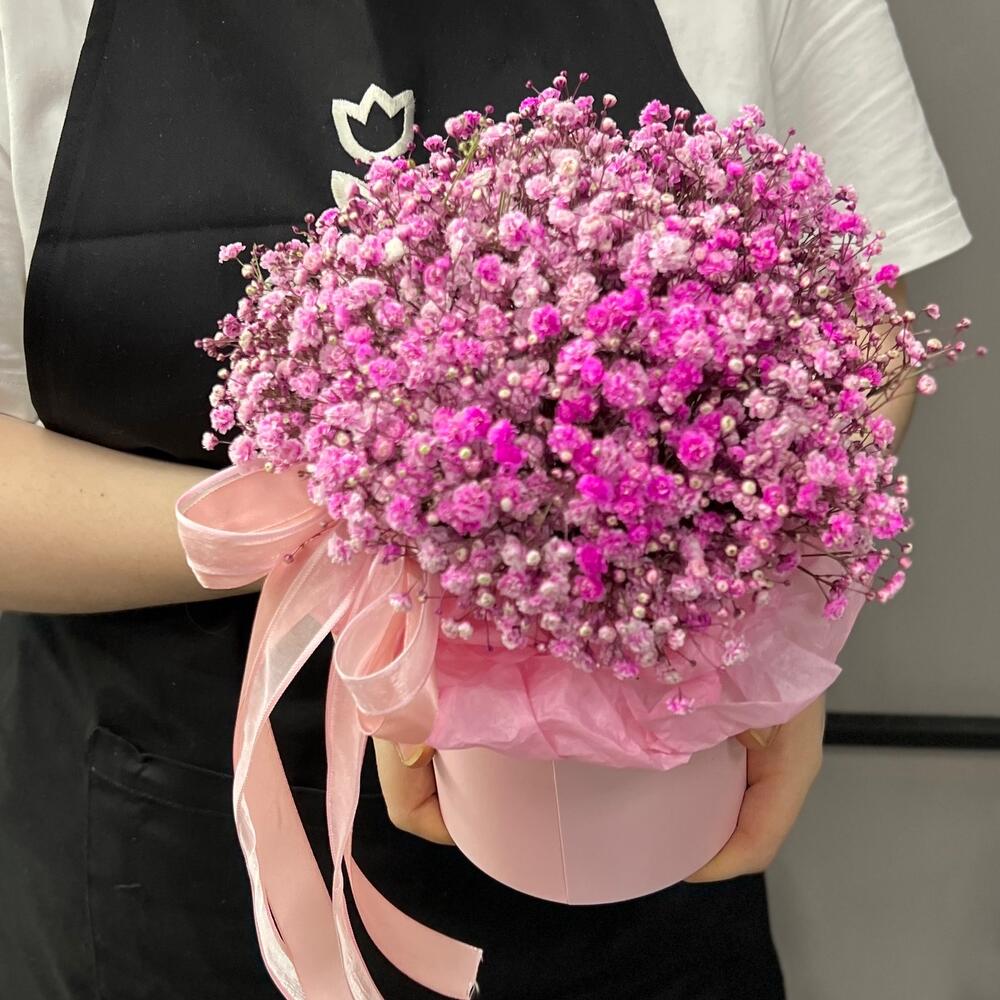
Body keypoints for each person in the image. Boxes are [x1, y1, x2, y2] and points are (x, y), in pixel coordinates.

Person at [0, 1, 971, 998]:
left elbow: (859, 326)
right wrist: (372, 522)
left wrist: (763, 618)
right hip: (165, 844)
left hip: (654, 812)